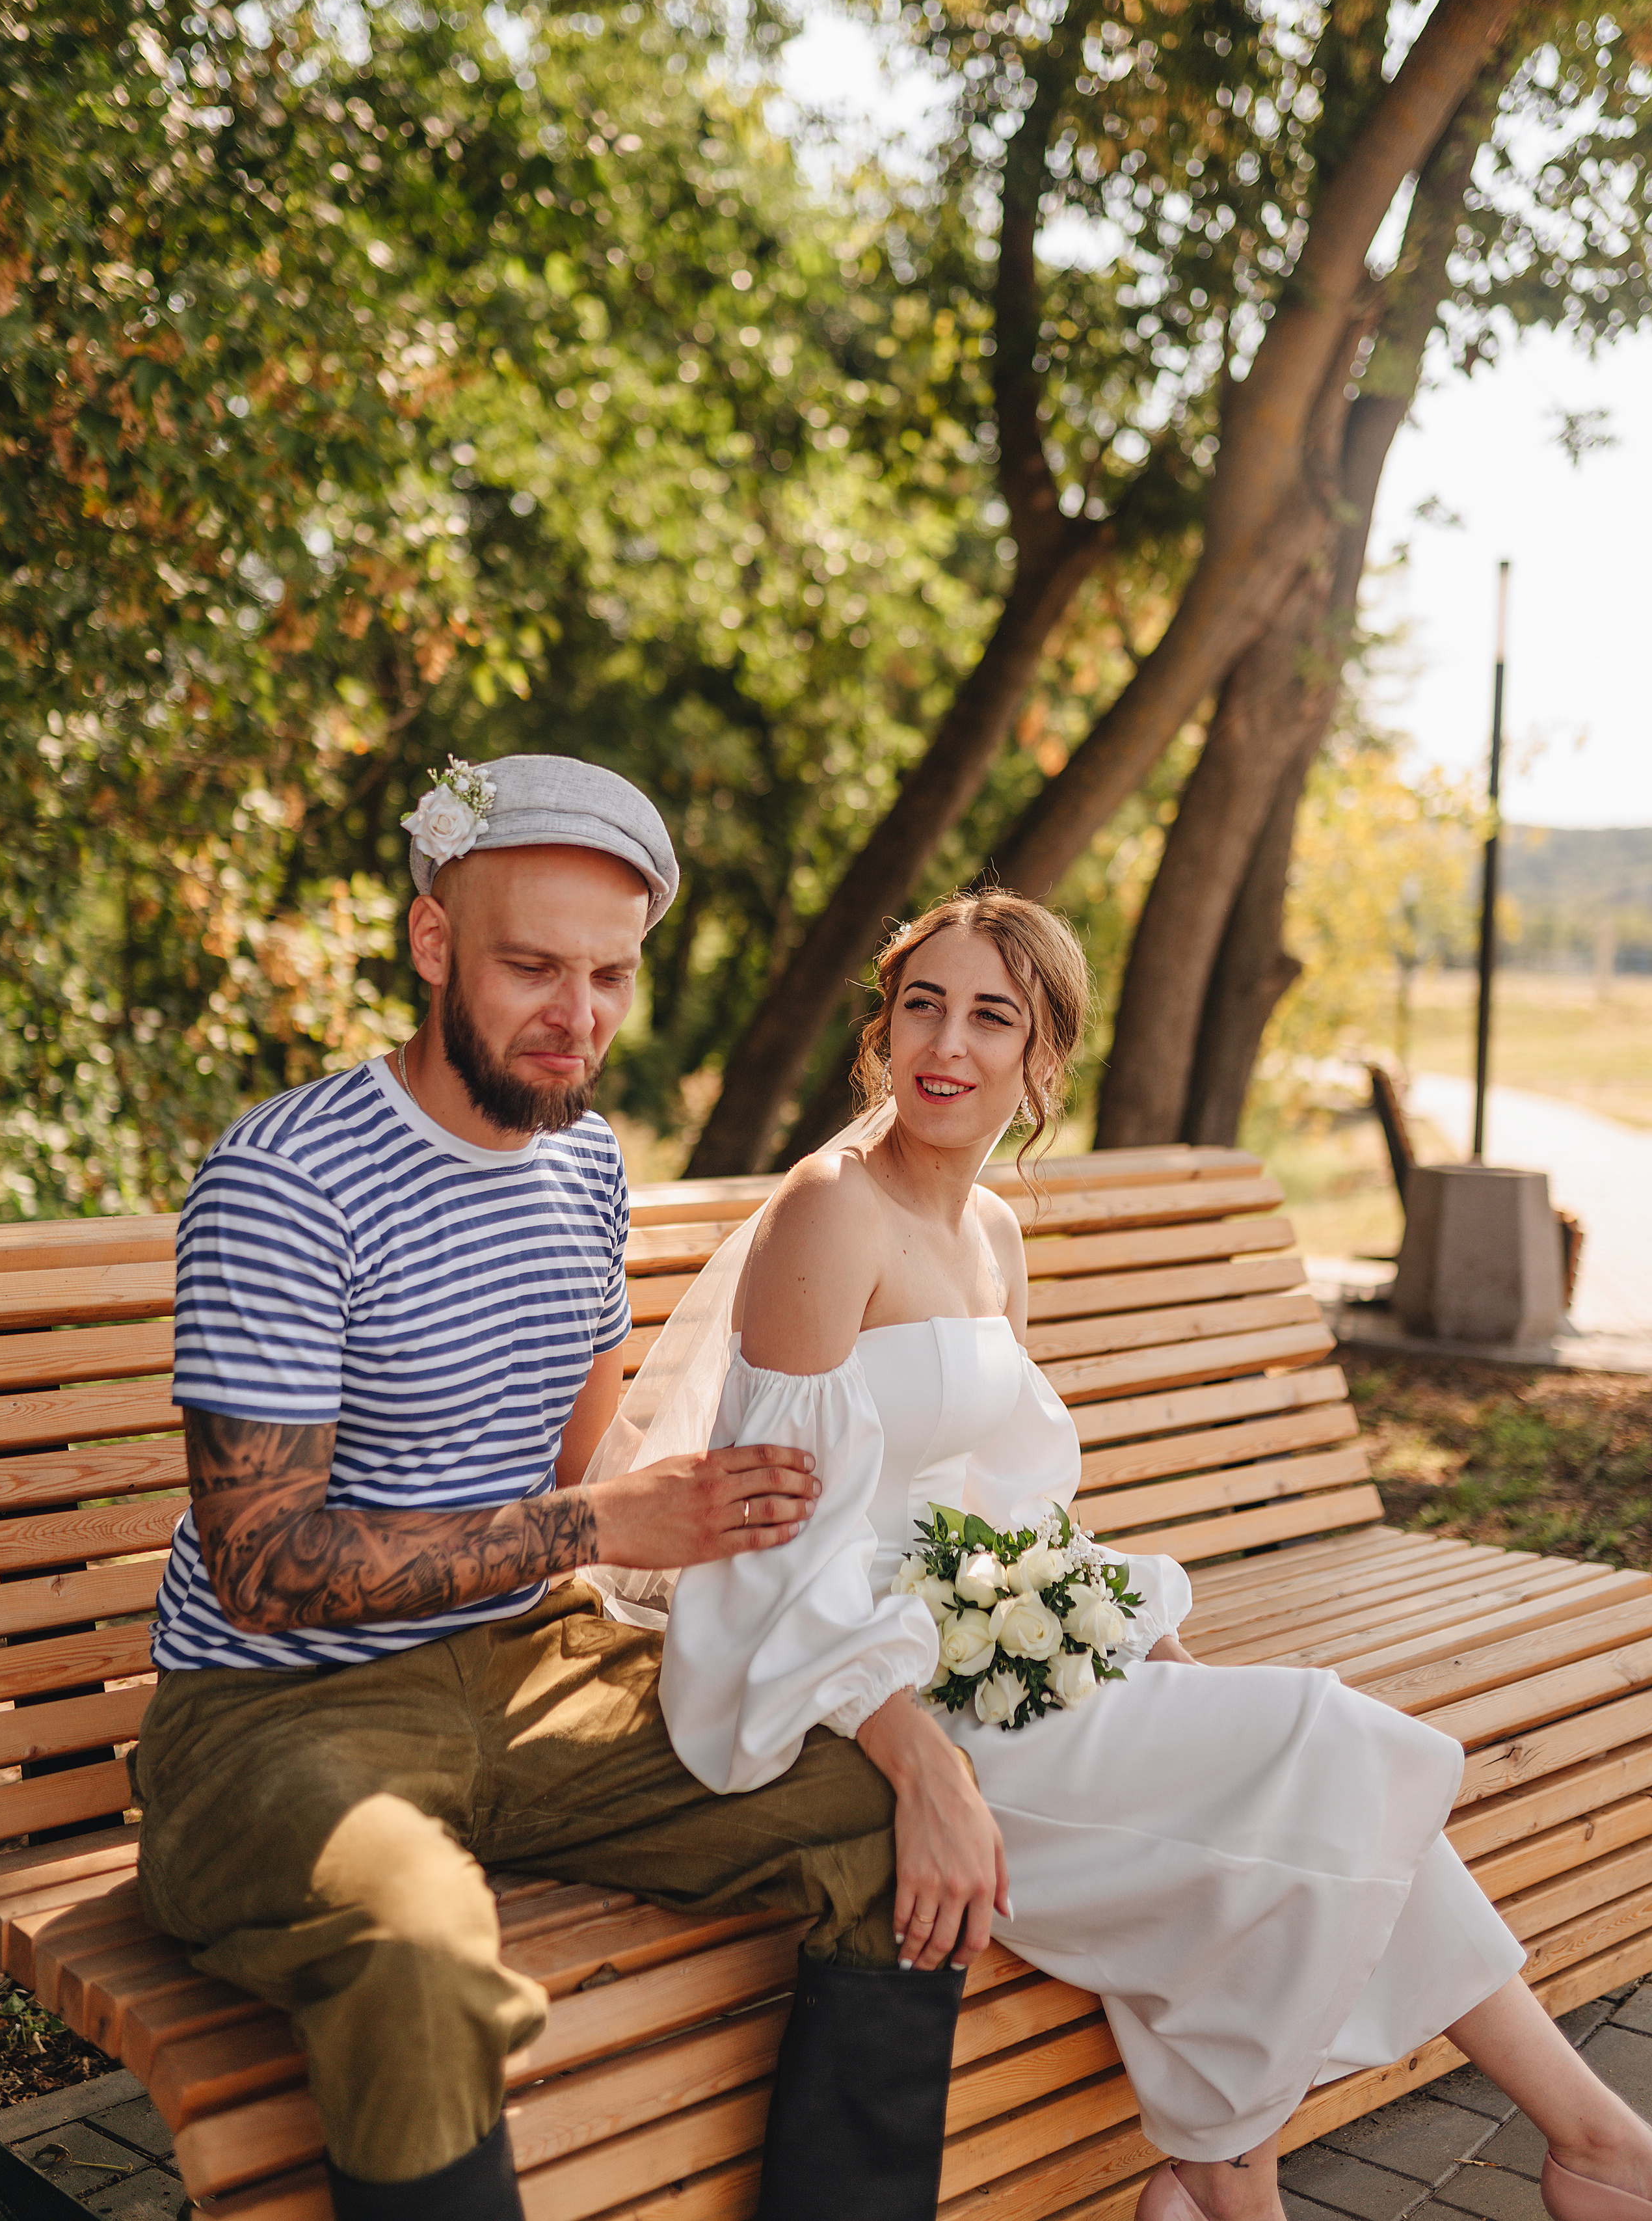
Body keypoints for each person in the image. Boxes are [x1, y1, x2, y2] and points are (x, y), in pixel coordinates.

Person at [654, 888, 1652, 2221]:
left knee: (1312, 1778)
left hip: (984, 1639)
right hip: (843, 1675)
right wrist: (919, 1754)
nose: (946, 1042)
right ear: (880, 1028)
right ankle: (1317, 2164)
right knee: (1322, 1750)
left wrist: (1109, 1615)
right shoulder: (829, 1212)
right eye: (921, 1004)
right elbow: (765, 1533)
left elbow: (1003, 1496)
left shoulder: (990, 1231)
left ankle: (1453, 2154)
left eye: (990, 1015)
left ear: (1039, 1056)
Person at [131, 754, 968, 2221]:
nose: (576, 1014)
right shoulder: (285, 1180)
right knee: (423, 1953)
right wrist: (596, 1528)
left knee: (871, 1810)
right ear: (433, 939)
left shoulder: (583, 1163)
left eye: (610, 974)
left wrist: (783, 1538)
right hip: (274, 1710)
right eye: (531, 964)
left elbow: (599, 1465)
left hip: (532, 1674)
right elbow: (264, 1563)